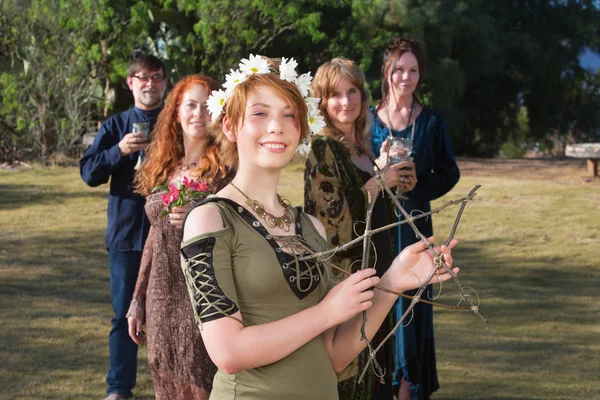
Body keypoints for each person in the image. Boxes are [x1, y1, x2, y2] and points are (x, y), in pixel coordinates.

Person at [179, 54, 459, 400]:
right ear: (230, 126)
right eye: (260, 113)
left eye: (289, 114)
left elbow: (336, 355)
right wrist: (325, 312)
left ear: (301, 128)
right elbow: (229, 353)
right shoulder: (210, 219)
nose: (276, 126)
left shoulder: (311, 227)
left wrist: (392, 283)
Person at [304, 57, 410, 400]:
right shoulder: (323, 148)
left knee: (378, 368)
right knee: (353, 372)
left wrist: (395, 180)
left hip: (378, 271)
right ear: (322, 101)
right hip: (347, 278)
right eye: (335, 94)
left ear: (364, 98)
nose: (346, 101)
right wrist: (379, 180)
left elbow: (373, 204)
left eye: (353, 92)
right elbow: (331, 215)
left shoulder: (362, 149)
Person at [125, 75, 231, 399]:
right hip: (161, 294)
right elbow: (154, 237)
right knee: (164, 374)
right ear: (176, 113)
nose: (199, 113)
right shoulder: (163, 167)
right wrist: (137, 299)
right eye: (191, 105)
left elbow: (243, 225)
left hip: (203, 292)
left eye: (206, 106)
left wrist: (205, 210)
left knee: (200, 380)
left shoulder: (227, 168)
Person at [370, 38, 461, 400]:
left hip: (416, 227)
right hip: (377, 228)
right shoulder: (368, 120)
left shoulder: (431, 121)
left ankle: (409, 388)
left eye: (412, 70)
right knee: (378, 303)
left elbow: (450, 171)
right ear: (386, 72)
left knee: (411, 309)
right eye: (398, 69)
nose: (405, 77)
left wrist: (420, 184)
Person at [79, 54, 168, 400]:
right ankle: (119, 388)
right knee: (123, 316)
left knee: (171, 314)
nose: (151, 84)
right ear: (130, 83)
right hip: (126, 237)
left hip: (170, 234)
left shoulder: (176, 123)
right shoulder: (115, 126)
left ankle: (177, 385)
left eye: (157, 77)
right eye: (143, 77)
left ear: (165, 83)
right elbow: (88, 173)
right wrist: (118, 151)